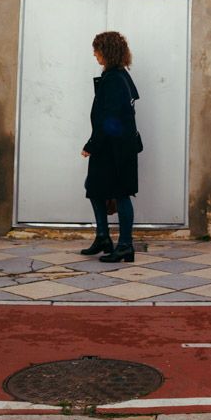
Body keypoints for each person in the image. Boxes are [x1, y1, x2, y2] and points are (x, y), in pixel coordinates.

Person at [82, 30, 140, 263]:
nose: (94, 54)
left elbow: (111, 118)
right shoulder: (118, 75)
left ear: (107, 51)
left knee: (121, 193)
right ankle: (103, 238)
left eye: (97, 50)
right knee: (95, 188)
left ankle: (125, 245)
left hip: (116, 149)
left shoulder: (115, 79)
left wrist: (92, 145)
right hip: (114, 146)